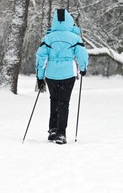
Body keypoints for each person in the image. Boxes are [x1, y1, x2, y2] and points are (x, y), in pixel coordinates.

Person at [36, 9, 89, 144]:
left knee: (53, 100)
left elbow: (41, 58)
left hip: (51, 75)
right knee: (64, 103)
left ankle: (52, 130)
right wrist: (83, 68)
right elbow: (82, 54)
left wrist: (39, 77)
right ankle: (61, 134)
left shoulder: (48, 38)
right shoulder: (75, 38)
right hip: (67, 74)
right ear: (69, 21)